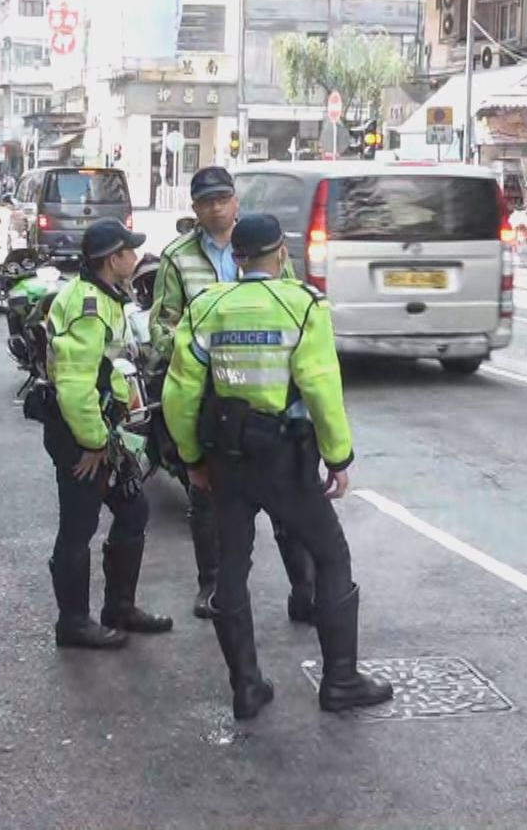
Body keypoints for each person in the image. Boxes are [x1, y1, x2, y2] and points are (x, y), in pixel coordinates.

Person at [162, 214, 392, 721]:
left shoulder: (207, 308)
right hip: (287, 459)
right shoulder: (302, 306)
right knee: (331, 555)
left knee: (232, 567)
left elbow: (178, 392)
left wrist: (191, 459)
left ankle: (246, 688)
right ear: (281, 254)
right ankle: (341, 681)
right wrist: (339, 458)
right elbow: (320, 386)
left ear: (237, 259)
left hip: (227, 459)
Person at [148, 166, 314, 625]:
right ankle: (213, 586)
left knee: (290, 497)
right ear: (195, 208)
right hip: (211, 399)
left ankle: (305, 591)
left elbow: (293, 303)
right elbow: (161, 325)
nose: (216, 207)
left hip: (271, 396)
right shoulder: (177, 258)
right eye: (206, 201)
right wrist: (192, 349)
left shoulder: (263, 245)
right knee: (209, 498)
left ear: (235, 202)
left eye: (223, 198)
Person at [42, 219, 173, 650]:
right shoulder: (89, 308)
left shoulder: (107, 299)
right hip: (82, 437)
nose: (135, 258)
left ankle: (119, 607)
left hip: (104, 433)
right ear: (111, 259)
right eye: (129, 252)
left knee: (133, 512)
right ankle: (73, 623)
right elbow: (76, 387)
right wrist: (95, 443)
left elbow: (110, 369)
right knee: (77, 529)